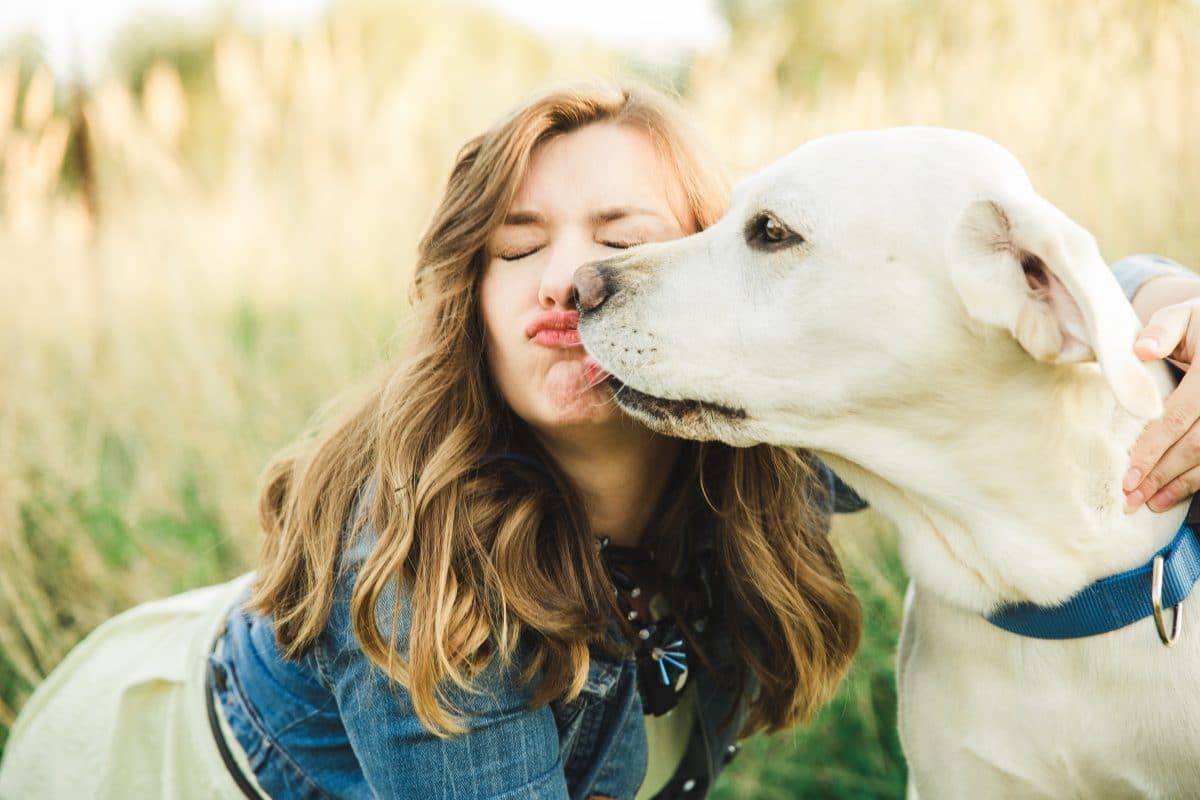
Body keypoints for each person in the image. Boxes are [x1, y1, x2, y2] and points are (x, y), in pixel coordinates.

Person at [1, 81, 1198, 800]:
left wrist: (1161, 302)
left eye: (625, 235)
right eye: (514, 250)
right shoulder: (424, 587)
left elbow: (980, 351)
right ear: (464, 306)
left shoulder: (757, 434)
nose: (577, 283)